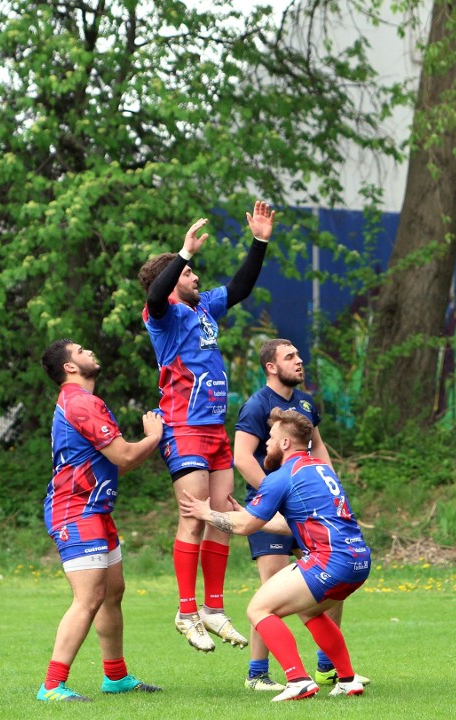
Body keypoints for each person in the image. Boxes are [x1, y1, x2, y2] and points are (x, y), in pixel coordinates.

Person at [138, 202, 274, 652]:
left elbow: (240, 286)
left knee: (222, 518)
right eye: (190, 274)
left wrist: (260, 241)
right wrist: (183, 253)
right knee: (192, 519)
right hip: (184, 427)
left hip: (214, 429)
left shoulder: (204, 309)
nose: (197, 278)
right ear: (176, 278)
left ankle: (213, 609)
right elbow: (157, 296)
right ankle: (186, 610)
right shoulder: (164, 316)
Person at [180, 408, 371, 702]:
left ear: (284, 444)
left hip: (332, 561)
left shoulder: (283, 476)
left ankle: (297, 680)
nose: (266, 444)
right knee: (310, 611)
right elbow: (289, 523)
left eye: (269, 438)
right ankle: (346, 679)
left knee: (258, 609)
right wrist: (249, 516)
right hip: (359, 561)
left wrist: (208, 513)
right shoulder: (319, 469)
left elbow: (244, 528)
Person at [234, 339, 369, 691]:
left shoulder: (305, 403)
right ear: (271, 367)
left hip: (308, 507)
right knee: (273, 591)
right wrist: (278, 492)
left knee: (323, 592)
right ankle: (258, 673)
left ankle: (329, 670)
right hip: (273, 505)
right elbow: (242, 457)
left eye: (298, 355)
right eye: (290, 357)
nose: (299, 360)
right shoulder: (257, 404)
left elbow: (319, 449)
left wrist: (325, 488)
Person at [38, 340, 164, 702]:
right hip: (75, 510)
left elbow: (121, 460)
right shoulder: (80, 402)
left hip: (95, 510)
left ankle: (116, 677)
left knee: (112, 593)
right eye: (80, 350)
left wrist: (148, 443)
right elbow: (124, 455)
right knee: (89, 597)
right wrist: (154, 437)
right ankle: (51, 686)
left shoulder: (86, 402)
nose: (89, 351)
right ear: (69, 367)